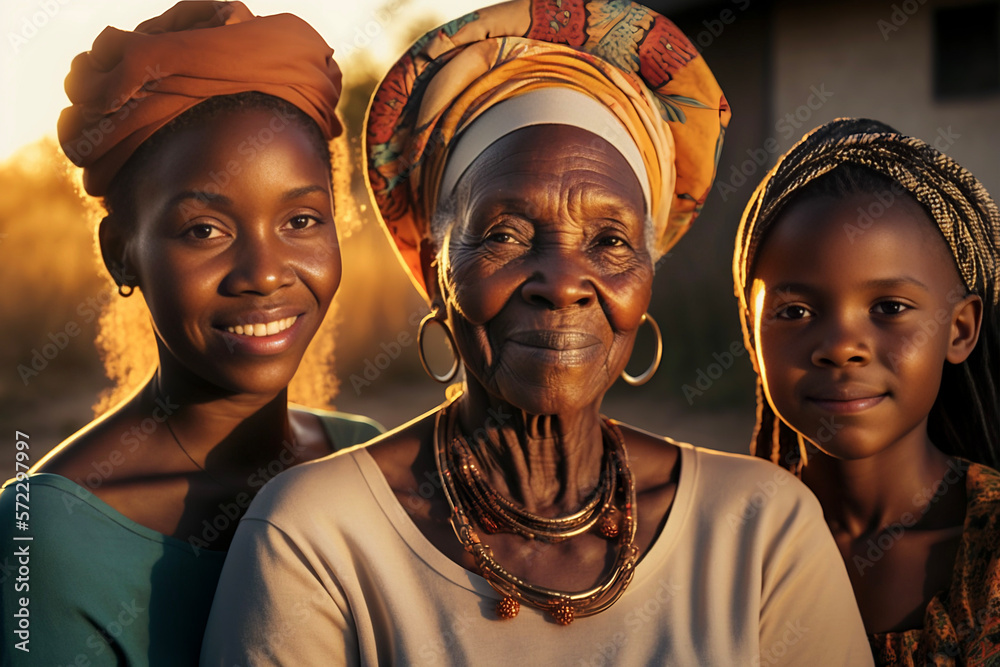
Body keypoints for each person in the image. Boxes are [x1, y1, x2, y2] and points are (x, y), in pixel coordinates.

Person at [201, 1, 873, 665]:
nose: (561, 281)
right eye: (505, 234)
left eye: (609, 241)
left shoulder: (761, 529)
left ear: (646, 280)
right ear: (436, 269)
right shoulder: (314, 536)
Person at [0, 3, 382, 665]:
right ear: (121, 253)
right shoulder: (49, 537)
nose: (264, 273)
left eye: (301, 220)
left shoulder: (368, 464)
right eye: (205, 229)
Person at [733, 118, 1000, 665]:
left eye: (889, 308)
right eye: (795, 311)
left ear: (961, 329)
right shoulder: (719, 545)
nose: (840, 347)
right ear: (752, 335)